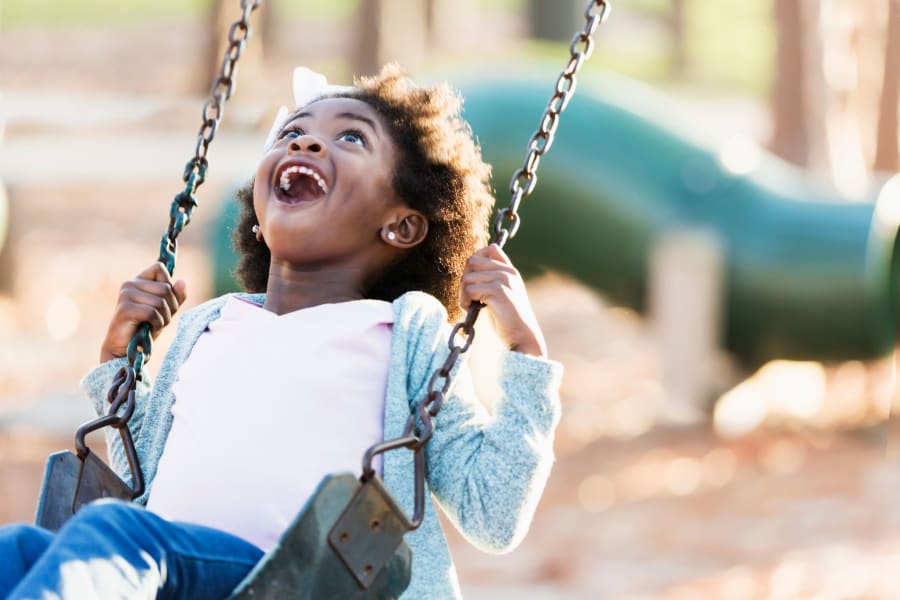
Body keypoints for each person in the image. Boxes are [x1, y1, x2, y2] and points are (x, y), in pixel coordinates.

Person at [0, 64, 562, 599]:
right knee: (17, 550)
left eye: (352, 139)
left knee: (115, 535)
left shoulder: (404, 333)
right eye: (293, 132)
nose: (305, 143)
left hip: (299, 581)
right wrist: (119, 362)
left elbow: (493, 513)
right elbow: (146, 477)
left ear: (402, 224)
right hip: (169, 568)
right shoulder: (210, 325)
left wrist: (526, 350)